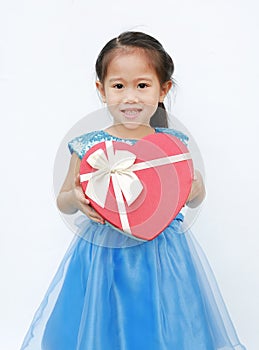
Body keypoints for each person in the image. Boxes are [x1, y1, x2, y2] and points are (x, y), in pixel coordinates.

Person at [20, 31, 246, 350]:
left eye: (142, 85)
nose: (130, 97)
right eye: (118, 86)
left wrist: (196, 189)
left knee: (162, 321)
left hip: (162, 253)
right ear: (101, 90)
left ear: (163, 89)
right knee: (104, 319)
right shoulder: (90, 146)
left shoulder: (173, 146)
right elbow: (64, 200)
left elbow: (193, 194)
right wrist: (76, 198)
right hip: (102, 254)